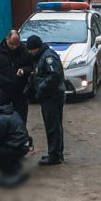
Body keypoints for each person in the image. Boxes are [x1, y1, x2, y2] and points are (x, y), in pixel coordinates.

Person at [26, 34, 65, 165]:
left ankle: (54, 155)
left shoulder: (48, 57)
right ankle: (56, 153)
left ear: (36, 47)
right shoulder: (40, 57)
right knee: (53, 125)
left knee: (53, 126)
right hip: (48, 96)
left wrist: (41, 87)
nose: (30, 52)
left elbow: (55, 75)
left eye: (31, 49)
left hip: (52, 96)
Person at [0, 30, 31, 125]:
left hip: (20, 92)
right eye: (12, 44)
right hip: (2, 91)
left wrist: (23, 70)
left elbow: (31, 66)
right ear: (7, 39)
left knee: (20, 120)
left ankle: (20, 138)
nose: (14, 47)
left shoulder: (23, 50)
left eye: (16, 44)